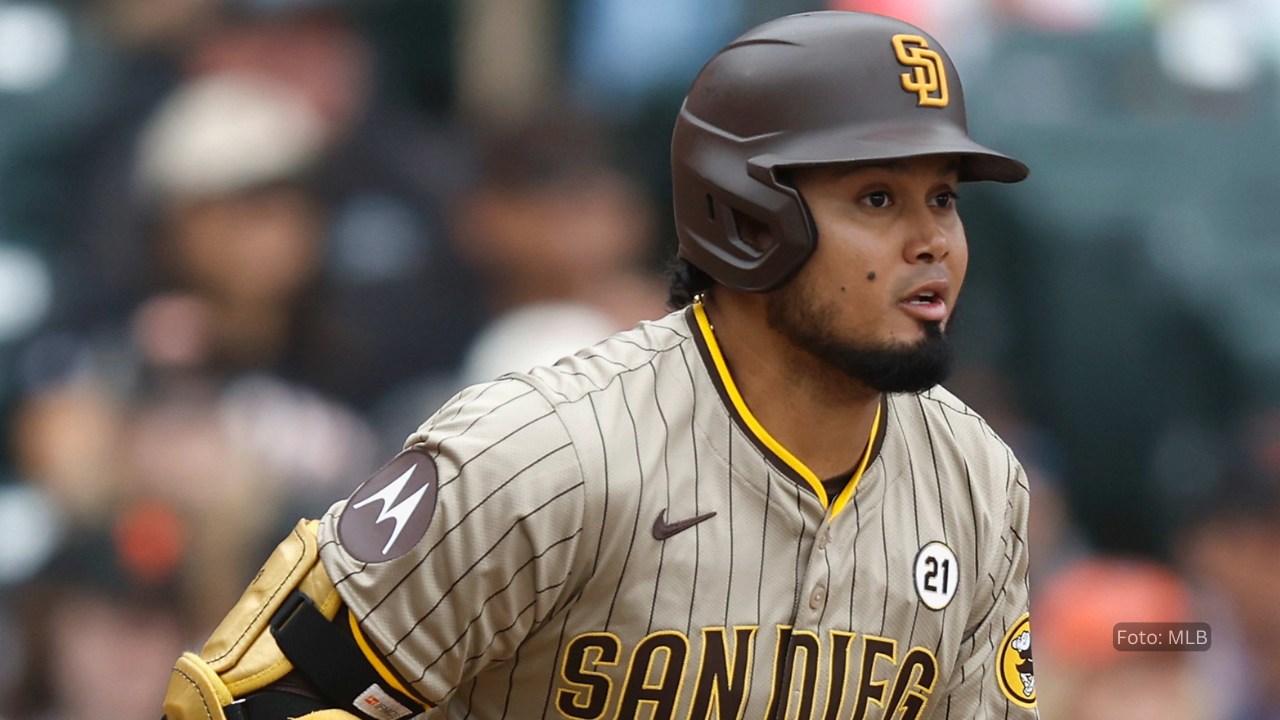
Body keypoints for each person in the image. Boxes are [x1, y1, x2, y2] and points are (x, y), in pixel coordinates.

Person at [162, 11, 1036, 719]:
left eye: (945, 198)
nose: (934, 243)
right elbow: (245, 697)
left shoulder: (977, 484)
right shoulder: (541, 452)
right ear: (747, 218)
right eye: (878, 198)